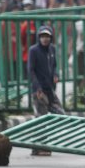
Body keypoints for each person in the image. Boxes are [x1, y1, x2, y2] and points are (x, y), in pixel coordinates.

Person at [29, 26, 65, 156]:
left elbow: (54, 65)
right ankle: (37, 147)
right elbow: (31, 70)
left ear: (51, 38)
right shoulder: (33, 50)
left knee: (61, 114)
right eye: (43, 36)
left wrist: (56, 74)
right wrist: (37, 88)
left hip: (50, 89)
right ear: (39, 37)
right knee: (41, 119)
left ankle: (44, 144)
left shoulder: (52, 49)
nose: (45, 39)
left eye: (47, 36)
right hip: (39, 91)